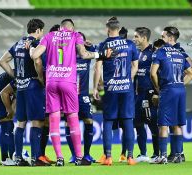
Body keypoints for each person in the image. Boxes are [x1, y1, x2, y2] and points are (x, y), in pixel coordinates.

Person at [31, 18, 99, 166]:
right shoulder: (75, 36)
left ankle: (60, 158)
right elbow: (83, 54)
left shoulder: (48, 36)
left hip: (51, 82)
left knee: (54, 120)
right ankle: (79, 157)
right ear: (72, 28)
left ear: (60, 28)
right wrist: (100, 55)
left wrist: (31, 49)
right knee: (72, 119)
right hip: (68, 82)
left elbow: (35, 56)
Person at [0, 18, 49, 166]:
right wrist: (40, 78)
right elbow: (38, 61)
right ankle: (35, 158)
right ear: (38, 30)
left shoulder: (19, 43)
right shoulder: (35, 44)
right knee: (37, 121)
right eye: (42, 30)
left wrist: (16, 76)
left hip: (20, 87)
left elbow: (2, 61)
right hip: (33, 86)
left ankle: (18, 158)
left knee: (21, 122)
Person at [93, 17, 138, 166]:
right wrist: (128, 80)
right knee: (127, 121)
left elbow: (97, 68)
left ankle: (108, 157)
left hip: (111, 88)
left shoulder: (103, 45)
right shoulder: (130, 44)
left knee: (108, 121)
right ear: (119, 29)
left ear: (107, 29)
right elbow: (135, 66)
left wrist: (95, 87)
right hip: (126, 89)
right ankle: (130, 157)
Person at [150, 26, 192, 164]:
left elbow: (152, 73)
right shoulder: (179, 53)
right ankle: (178, 154)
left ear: (170, 38)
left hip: (168, 90)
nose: (161, 39)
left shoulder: (161, 52)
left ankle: (162, 156)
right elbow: (191, 73)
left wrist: (158, 88)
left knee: (163, 124)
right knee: (177, 124)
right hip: (180, 90)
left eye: (163, 36)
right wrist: (179, 84)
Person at [66, 32, 96, 163]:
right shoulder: (67, 55)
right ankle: (74, 155)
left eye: (81, 41)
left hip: (83, 95)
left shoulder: (87, 54)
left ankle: (87, 154)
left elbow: (99, 52)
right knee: (69, 123)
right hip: (69, 95)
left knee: (89, 121)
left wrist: (91, 44)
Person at [132, 27, 160, 163]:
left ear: (144, 38)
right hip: (138, 94)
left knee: (152, 123)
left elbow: (158, 73)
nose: (134, 39)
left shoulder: (153, 53)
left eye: (136, 36)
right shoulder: (136, 53)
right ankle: (143, 153)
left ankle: (156, 153)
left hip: (150, 93)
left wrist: (156, 92)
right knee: (138, 123)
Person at [38, 24, 60, 165]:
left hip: (50, 90)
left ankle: (42, 154)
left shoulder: (56, 49)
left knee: (46, 122)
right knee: (39, 121)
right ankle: (38, 154)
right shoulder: (47, 51)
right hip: (43, 90)